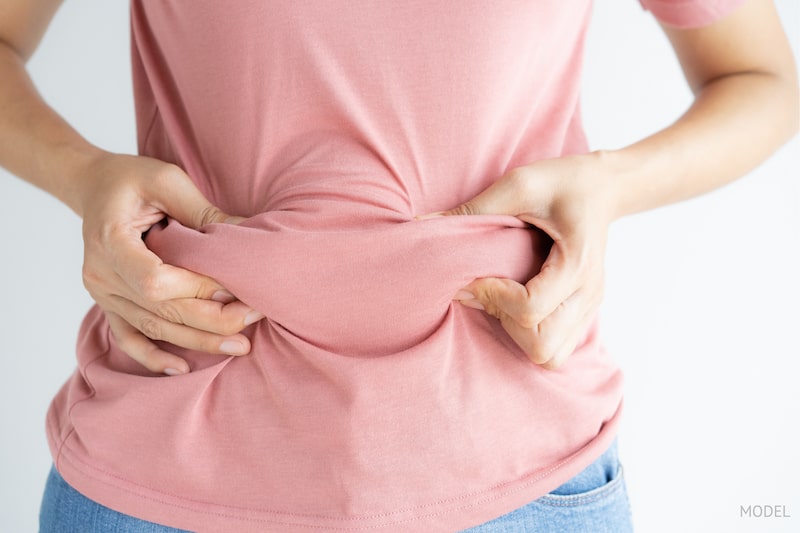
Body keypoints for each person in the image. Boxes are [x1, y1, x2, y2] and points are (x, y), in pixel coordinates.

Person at [1, 0, 796, 531]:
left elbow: (762, 79)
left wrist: (610, 183)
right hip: (162, 476)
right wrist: (82, 176)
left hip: (520, 475)